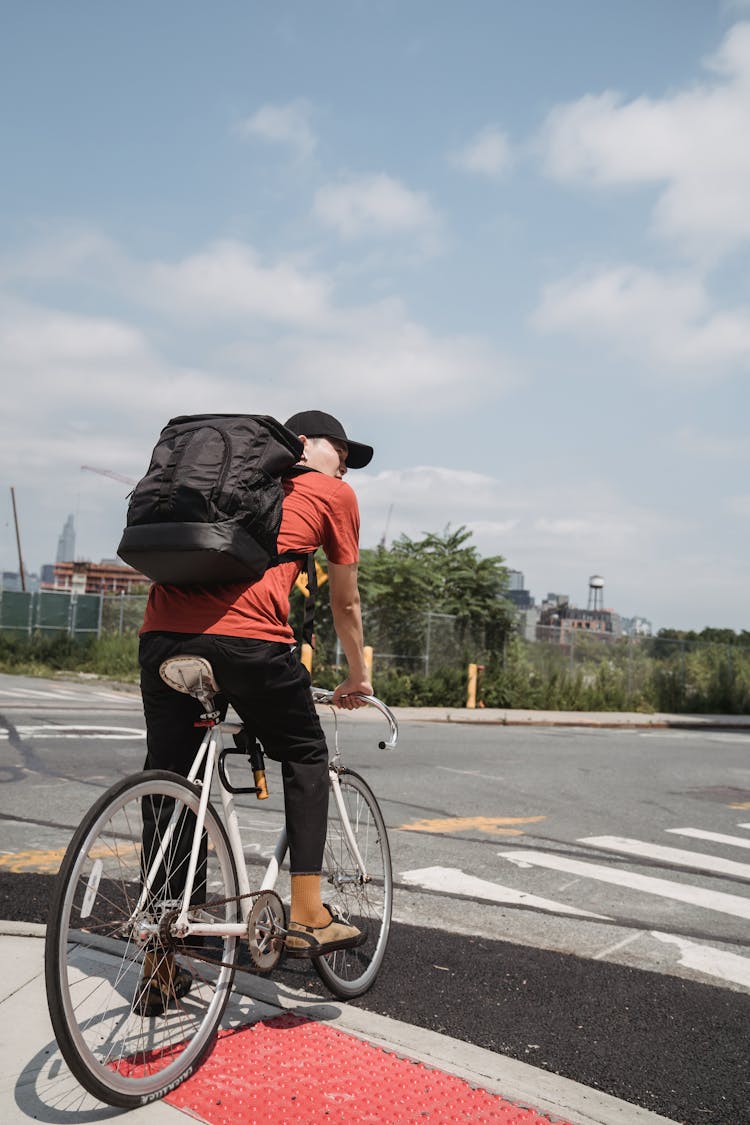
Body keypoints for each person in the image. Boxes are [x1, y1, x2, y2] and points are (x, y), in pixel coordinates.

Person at [136, 409, 374, 1013]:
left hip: (163, 638)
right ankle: (308, 911)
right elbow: (344, 603)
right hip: (250, 643)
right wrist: (358, 673)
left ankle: (160, 957)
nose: (346, 462)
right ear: (310, 445)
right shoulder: (332, 493)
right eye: (341, 450)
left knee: (170, 781)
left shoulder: (224, 481)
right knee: (303, 751)